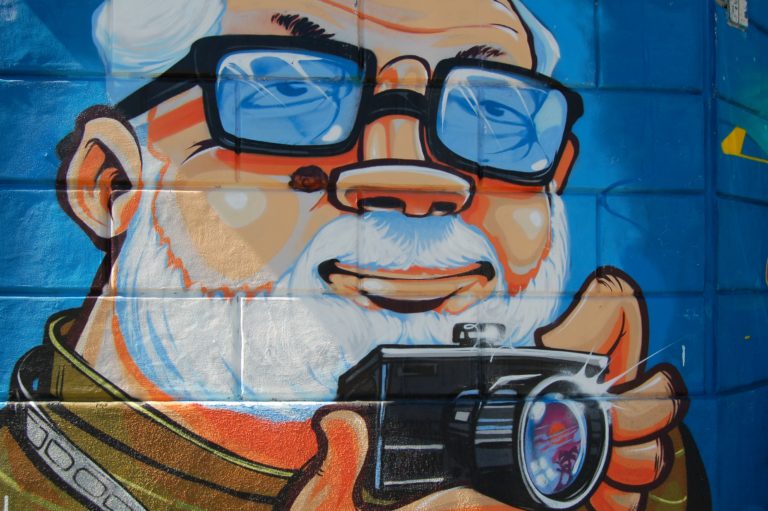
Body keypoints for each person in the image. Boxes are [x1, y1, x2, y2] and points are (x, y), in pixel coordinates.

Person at [0, 0, 708, 509]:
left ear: (555, 180)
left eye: (494, 113)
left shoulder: (611, 462)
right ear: (113, 183)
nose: (417, 177)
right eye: (287, 90)